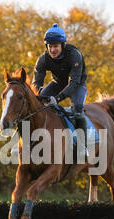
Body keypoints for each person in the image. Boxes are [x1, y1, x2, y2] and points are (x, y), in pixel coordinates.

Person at [32, 23, 88, 154]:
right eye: (50, 46)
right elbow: (37, 84)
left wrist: (57, 99)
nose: (52, 50)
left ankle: (82, 145)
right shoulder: (43, 59)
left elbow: (73, 84)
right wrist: (37, 97)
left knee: (78, 109)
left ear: (62, 46)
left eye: (55, 46)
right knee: (35, 106)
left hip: (77, 84)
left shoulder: (74, 55)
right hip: (57, 83)